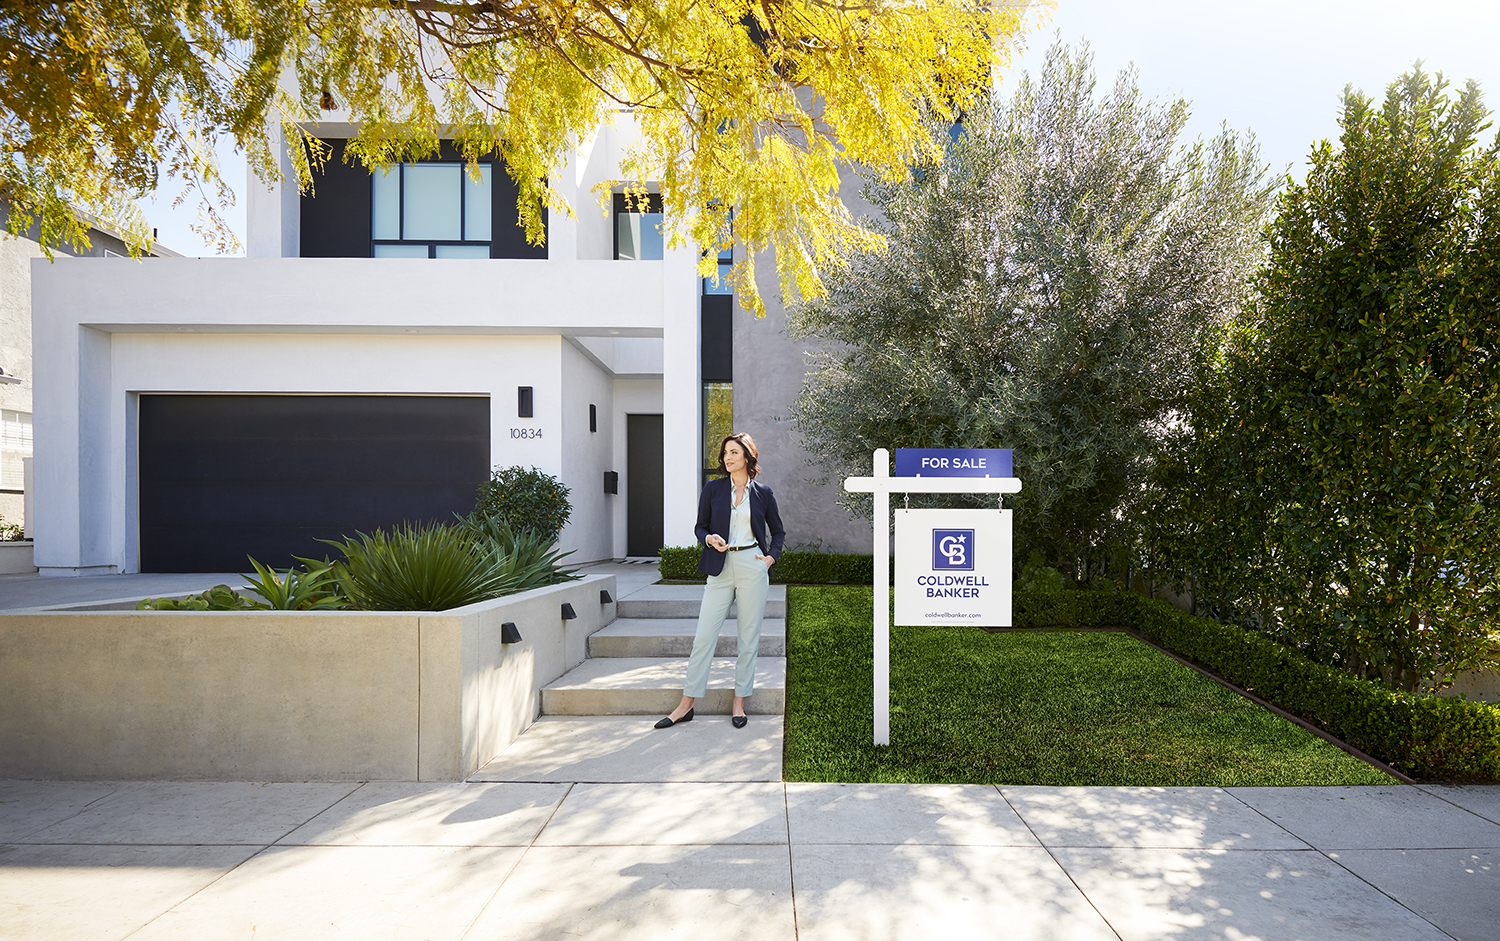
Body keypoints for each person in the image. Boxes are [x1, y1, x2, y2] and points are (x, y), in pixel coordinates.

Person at [655, 432, 785, 730]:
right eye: (725, 452)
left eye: (734, 453)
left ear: (748, 457)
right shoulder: (713, 489)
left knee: (748, 639)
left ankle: (739, 701)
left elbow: (777, 532)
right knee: (704, 638)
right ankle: (686, 704)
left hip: (753, 565)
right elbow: (699, 527)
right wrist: (708, 538)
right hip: (720, 566)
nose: (727, 457)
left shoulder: (763, 493)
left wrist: (770, 559)